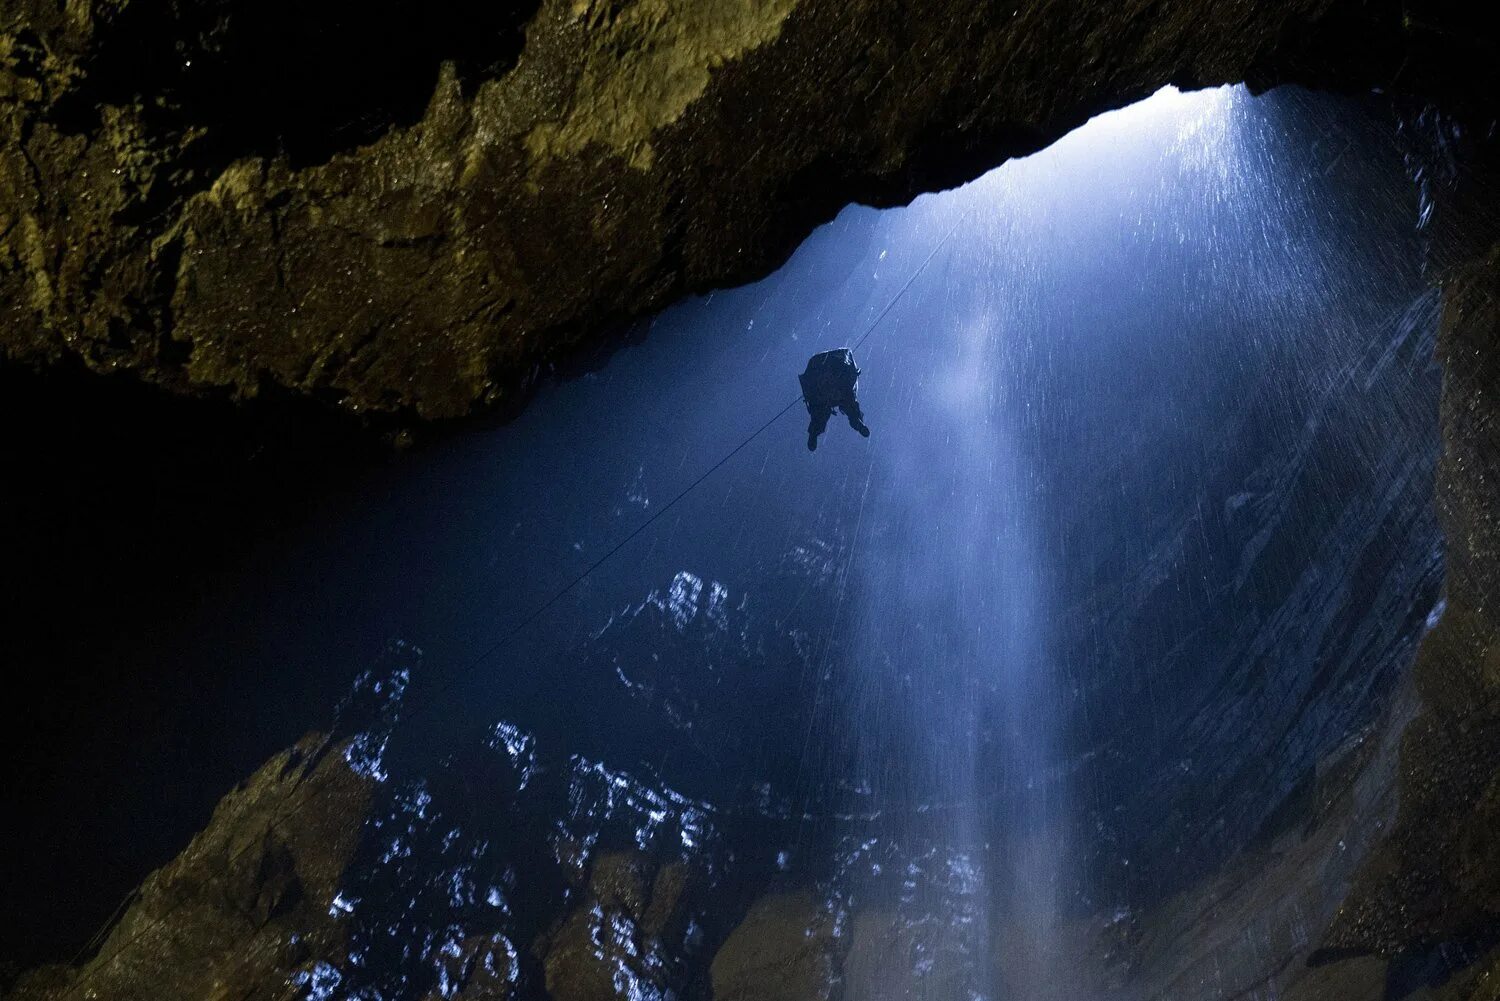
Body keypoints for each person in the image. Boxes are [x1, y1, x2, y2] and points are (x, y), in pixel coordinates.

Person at [799, 348, 870, 451]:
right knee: (824, 410)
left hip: (827, 383)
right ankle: (814, 433)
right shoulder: (843, 380)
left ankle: (856, 421)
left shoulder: (841, 383)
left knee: (825, 410)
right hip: (828, 382)